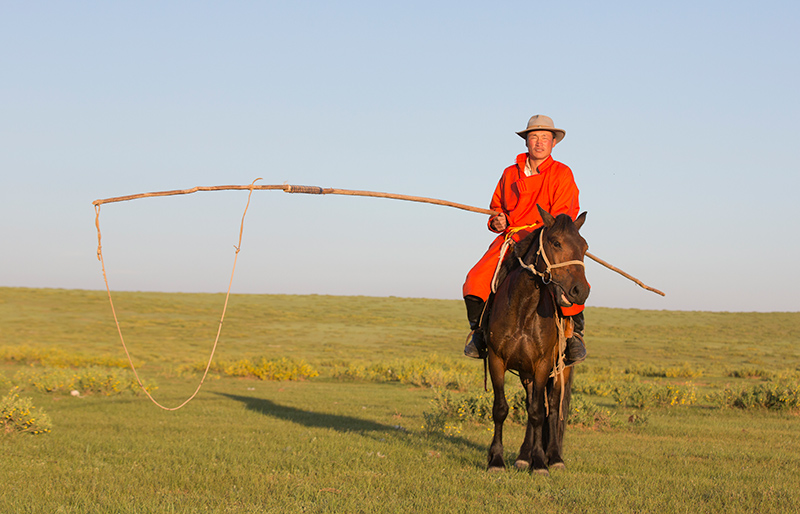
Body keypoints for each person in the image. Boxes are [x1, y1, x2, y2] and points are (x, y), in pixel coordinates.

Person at [462, 114, 587, 364]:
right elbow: (496, 208)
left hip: (548, 240)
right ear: (526, 143)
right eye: (533, 138)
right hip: (512, 237)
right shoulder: (509, 173)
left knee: (571, 279)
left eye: (544, 138)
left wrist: (547, 234)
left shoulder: (562, 173)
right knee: (475, 279)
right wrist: (498, 220)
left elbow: (564, 216)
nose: (539, 143)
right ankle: (479, 333)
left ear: (553, 143)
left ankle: (574, 336)